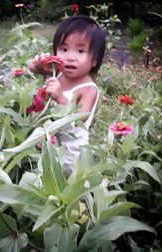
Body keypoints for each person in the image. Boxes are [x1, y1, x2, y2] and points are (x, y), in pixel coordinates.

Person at [28, 15, 106, 174]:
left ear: (94, 61)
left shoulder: (89, 89)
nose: (70, 57)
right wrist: (39, 64)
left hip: (73, 154)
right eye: (64, 49)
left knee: (69, 182)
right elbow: (30, 66)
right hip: (52, 144)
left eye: (80, 51)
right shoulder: (58, 74)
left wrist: (60, 97)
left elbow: (80, 116)